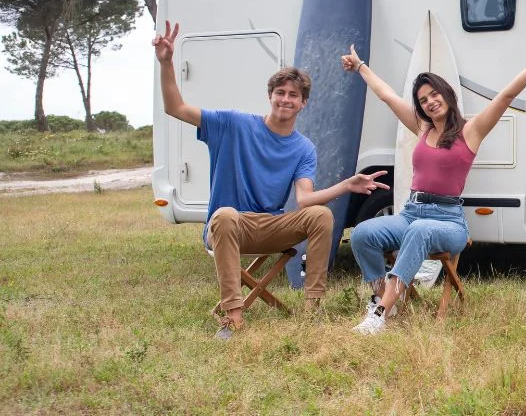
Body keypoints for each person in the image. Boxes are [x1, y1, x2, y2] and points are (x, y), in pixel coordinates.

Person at [153, 20, 389, 340]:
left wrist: (347, 185)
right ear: (270, 95)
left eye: (294, 95)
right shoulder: (233, 124)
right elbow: (175, 107)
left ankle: (312, 311)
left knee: (321, 214)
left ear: (303, 103)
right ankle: (233, 318)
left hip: (270, 226)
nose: (286, 99)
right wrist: (166, 63)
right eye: (280, 92)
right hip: (230, 227)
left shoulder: (303, 147)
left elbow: (305, 200)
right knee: (224, 215)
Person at [343, 34, 526, 335]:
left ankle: (381, 313)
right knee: (363, 234)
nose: (430, 102)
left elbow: (506, 96)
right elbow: (387, 96)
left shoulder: (471, 132)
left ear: (446, 94)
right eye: (423, 100)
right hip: (411, 213)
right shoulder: (421, 128)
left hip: (448, 221)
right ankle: (381, 295)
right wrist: (360, 67)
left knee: (420, 231)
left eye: (434, 94)